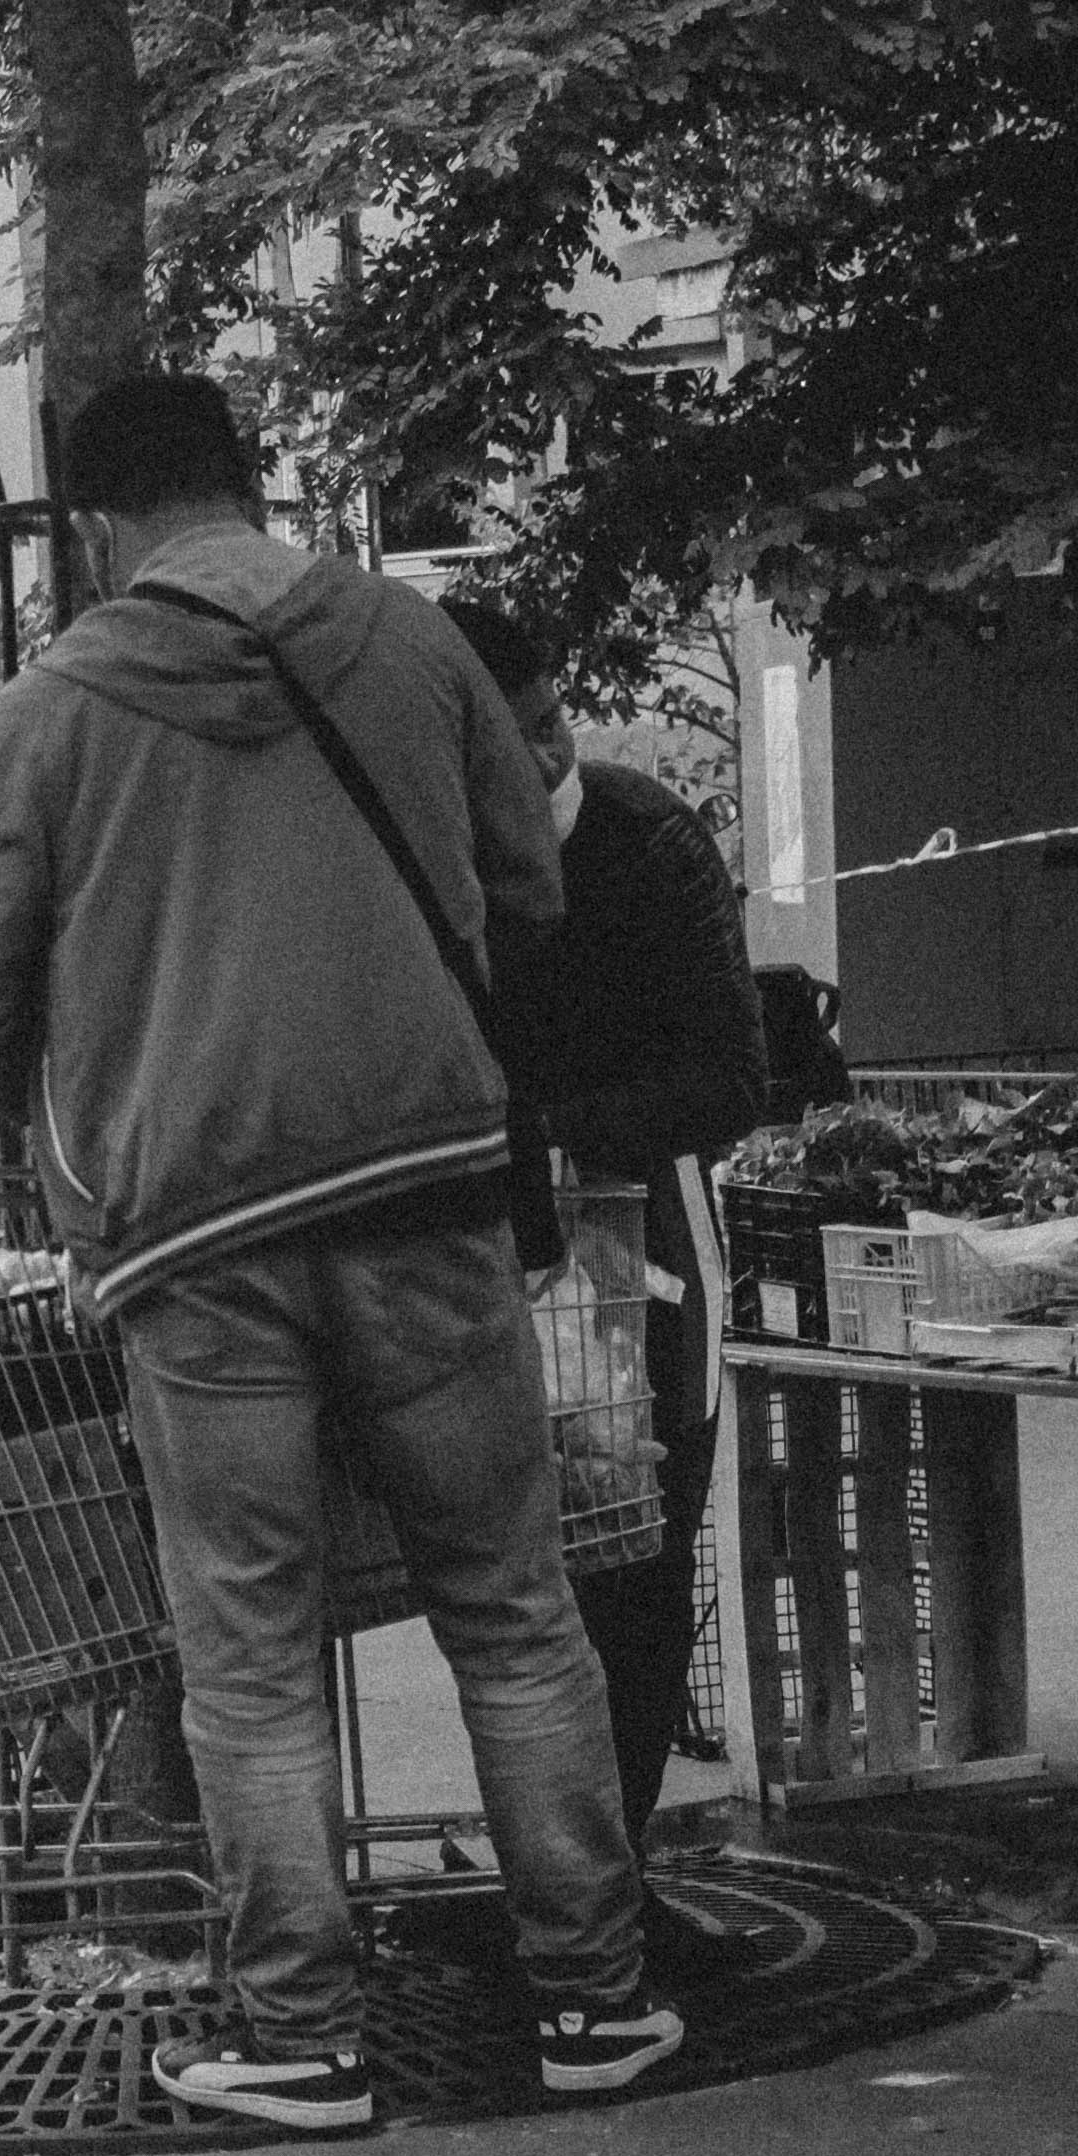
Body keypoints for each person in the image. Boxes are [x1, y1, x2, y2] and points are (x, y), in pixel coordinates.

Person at [0, 373, 662, 2132]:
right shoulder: (404, 643)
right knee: (508, 1603)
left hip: (194, 1235)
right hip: (423, 1193)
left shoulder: (46, 710)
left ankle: (302, 2038)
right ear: (247, 482)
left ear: (94, 525)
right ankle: (594, 1999)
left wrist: (98, 1040)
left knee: (241, 1642)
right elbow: (525, 893)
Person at [442, 592, 772, 1947]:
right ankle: (562, 1884)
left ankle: (608, 1879)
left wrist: (559, 1135)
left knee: (635, 1571)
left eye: (545, 734)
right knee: (515, 1587)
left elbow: (731, 1078)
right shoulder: (434, 859)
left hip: (638, 1263)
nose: (538, 765)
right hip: (480, 1263)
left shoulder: (642, 838)